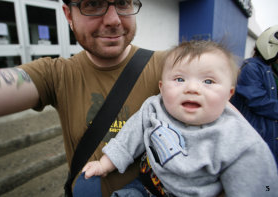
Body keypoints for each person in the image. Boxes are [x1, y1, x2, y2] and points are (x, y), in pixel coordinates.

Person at [0, 0, 167, 196]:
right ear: (68, 15)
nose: (113, 20)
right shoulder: (57, 74)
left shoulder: (171, 69)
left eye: (123, 2)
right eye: (92, 3)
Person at [82, 40, 278, 197]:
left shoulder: (237, 137)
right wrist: (105, 164)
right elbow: (129, 138)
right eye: (179, 79)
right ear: (161, 87)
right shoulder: (154, 107)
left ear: (229, 94)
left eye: (208, 81)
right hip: (144, 186)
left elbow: (259, 185)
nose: (191, 88)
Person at [231, 25, 278, 165]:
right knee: (262, 181)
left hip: (268, 135)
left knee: (268, 180)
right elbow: (258, 101)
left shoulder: (269, 69)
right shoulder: (251, 68)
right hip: (255, 136)